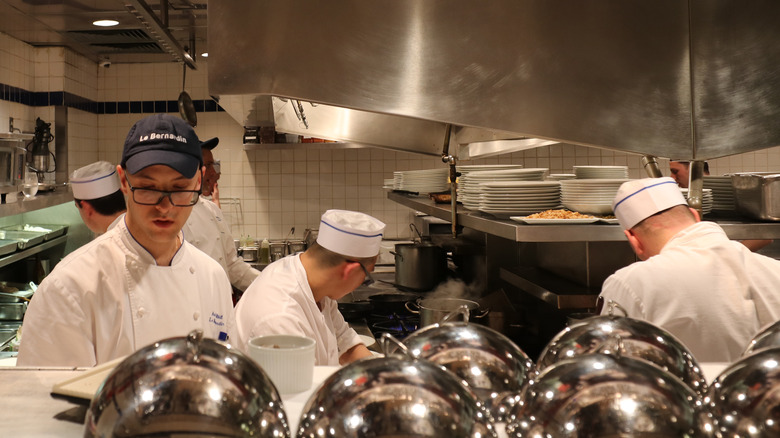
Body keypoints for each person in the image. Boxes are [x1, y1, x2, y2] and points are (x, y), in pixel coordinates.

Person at [17, 114, 236, 367]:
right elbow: (50, 401)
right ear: (123, 181)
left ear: (199, 181)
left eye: (179, 188)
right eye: (148, 188)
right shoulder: (70, 288)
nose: (165, 207)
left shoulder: (213, 277)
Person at [598, 177, 780, 362]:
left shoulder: (630, 283)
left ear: (633, 240)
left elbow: (611, 367)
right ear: (695, 215)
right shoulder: (775, 269)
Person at [234, 209, 384, 365]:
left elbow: (345, 343)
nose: (361, 283)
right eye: (366, 277)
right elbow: (301, 387)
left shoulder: (315, 282)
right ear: (349, 271)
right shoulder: (280, 318)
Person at [182, 137, 260, 295]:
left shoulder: (212, 210)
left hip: (222, 304)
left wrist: (268, 283)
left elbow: (232, 265)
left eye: (213, 165)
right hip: (196, 307)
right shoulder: (175, 216)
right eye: (208, 165)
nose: (213, 172)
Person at [70, 161, 126, 234]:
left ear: (87, 208)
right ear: (122, 191)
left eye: (76, 206)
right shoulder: (142, 226)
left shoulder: (105, 244)